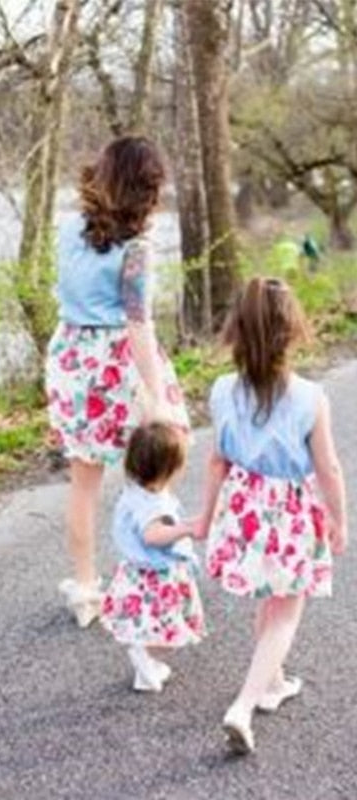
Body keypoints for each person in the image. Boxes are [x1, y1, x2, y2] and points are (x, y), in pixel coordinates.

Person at [45, 136, 190, 627]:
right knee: (156, 466)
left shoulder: (66, 229)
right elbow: (138, 323)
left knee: (83, 483)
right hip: (116, 363)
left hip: (70, 358)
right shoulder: (136, 250)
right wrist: (156, 397)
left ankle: (86, 590)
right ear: (146, 190)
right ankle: (156, 569)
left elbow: (67, 290)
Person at [198, 276, 347, 755]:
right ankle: (243, 705)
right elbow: (328, 467)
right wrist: (339, 520)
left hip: (242, 508)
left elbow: (217, 461)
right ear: (291, 331)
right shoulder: (309, 396)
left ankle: (274, 681)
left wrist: (205, 518)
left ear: (236, 331)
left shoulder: (222, 390)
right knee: (285, 610)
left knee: (269, 598)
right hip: (288, 514)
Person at [99, 422, 205, 692]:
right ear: (168, 469)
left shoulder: (133, 490)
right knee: (168, 631)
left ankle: (146, 669)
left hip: (137, 572)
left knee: (150, 626)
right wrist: (186, 529)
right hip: (158, 576)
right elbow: (153, 535)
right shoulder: (155, 503)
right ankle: (144, 655)